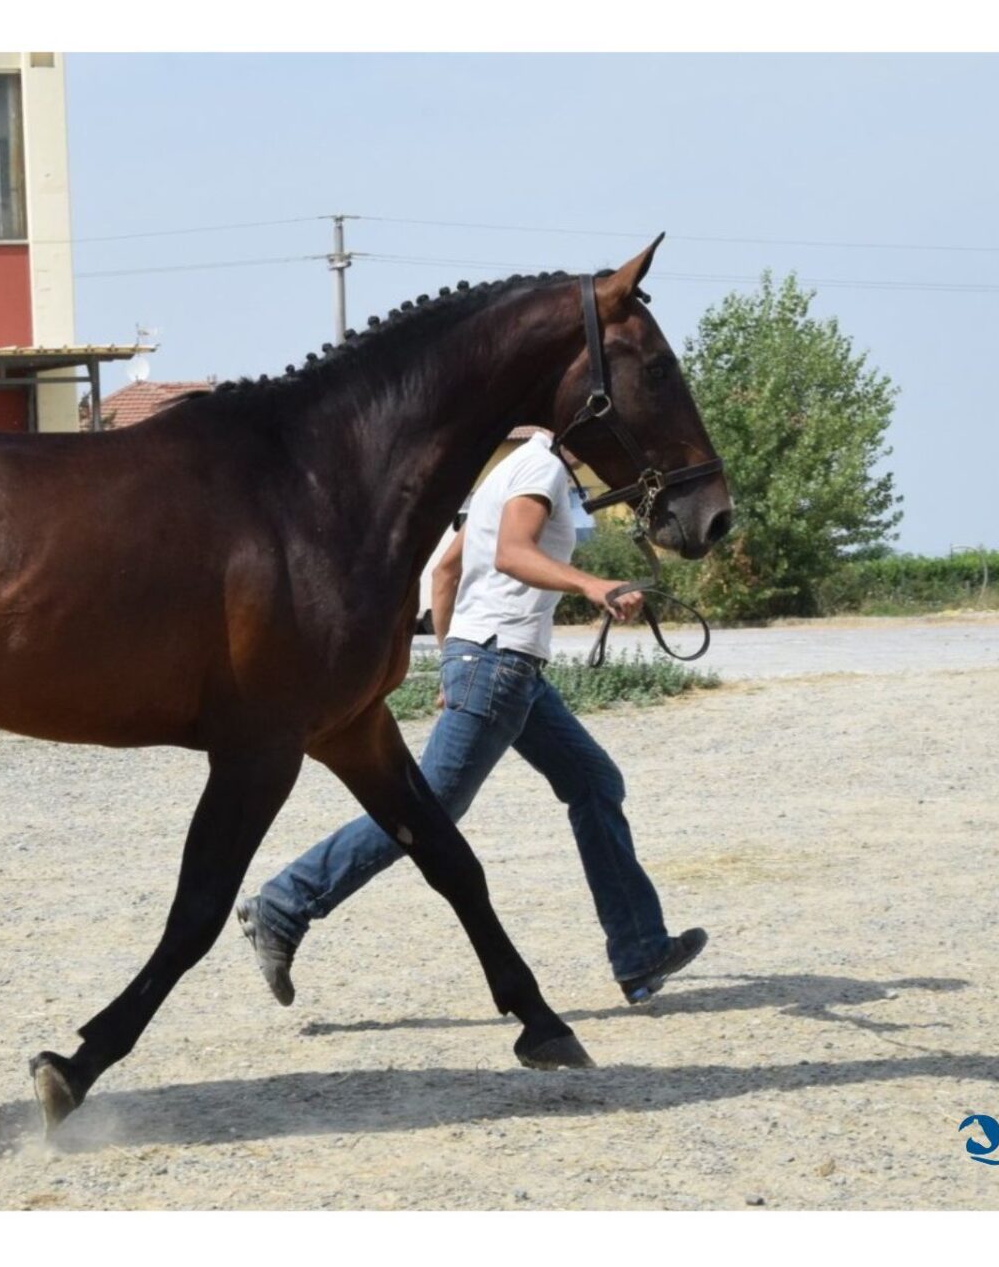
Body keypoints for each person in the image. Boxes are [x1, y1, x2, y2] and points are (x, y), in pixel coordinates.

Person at [236, 428, 706, 1007]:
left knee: (593, 782)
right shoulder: (542, 471)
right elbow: (512, 552)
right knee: (427, 810)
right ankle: (285, 903)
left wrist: (454, 658)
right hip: (499, 664)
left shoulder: (504, 473)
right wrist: (593, 584)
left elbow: (445, 571)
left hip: (499, 666)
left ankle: (640, 951)